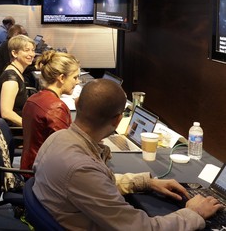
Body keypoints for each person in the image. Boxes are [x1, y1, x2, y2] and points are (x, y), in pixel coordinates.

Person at [32, 79, 223, 230]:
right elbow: (143, 228)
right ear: (117, 121)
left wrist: (147, 182)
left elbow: (95, 184)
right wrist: (193, 213)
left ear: (77, 103)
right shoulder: (80, 168)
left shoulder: (57, 138)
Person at [20, 51, 80, 172]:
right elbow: (64, 149)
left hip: (29, 164)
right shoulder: (56, 107)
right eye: (75, 77)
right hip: (42, 172)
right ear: (61, 78)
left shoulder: (33, 98)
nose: (77, 82)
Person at [0, 35, 35, 126]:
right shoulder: (11, 80)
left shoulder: (16, 71)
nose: (32, 54)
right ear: (14, 53)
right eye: (26, 50)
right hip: (17, 127)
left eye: (32, 50)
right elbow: (6, 113)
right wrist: (30, 127)